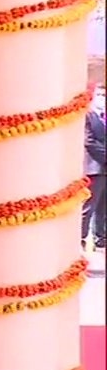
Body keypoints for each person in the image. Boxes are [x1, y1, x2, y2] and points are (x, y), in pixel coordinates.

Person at [81, 83, 106, 251]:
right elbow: (89, 141)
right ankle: (80, 238)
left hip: (104, 169)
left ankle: (101, 237)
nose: (102, 98)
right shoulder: (88, 116)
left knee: (103, 207)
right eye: (100, 95)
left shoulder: (103, 117)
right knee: (89, 206)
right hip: (95, 167)